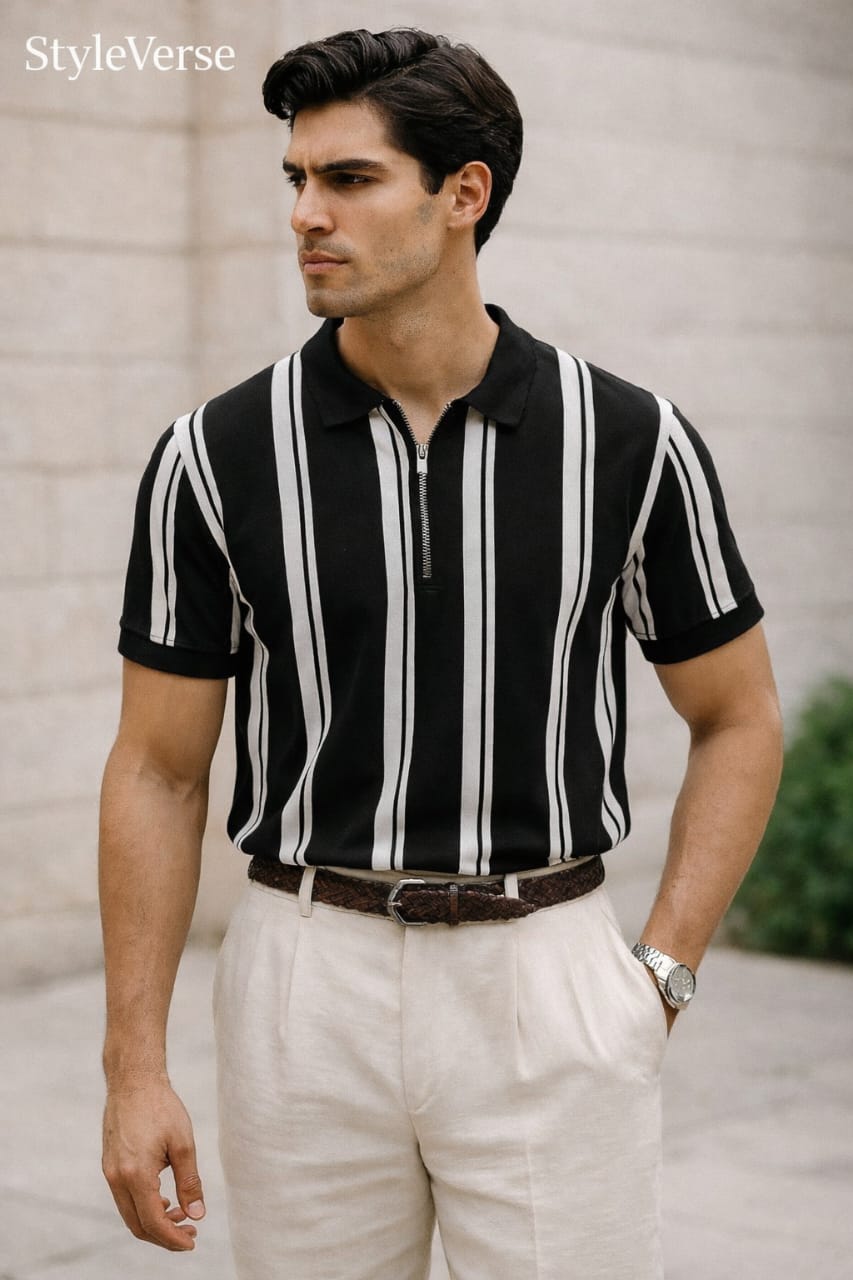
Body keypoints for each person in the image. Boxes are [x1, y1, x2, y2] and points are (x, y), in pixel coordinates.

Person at [99, 27, 783, 1280]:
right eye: (297, 178)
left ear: (464, 193)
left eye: (349, 179)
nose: (305, 213)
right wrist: (133, 1067)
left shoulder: (630, 440)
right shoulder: (213, 456)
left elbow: (737, 715)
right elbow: (158, 767)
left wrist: (661, 973)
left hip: (546, 967)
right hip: (304, 978)